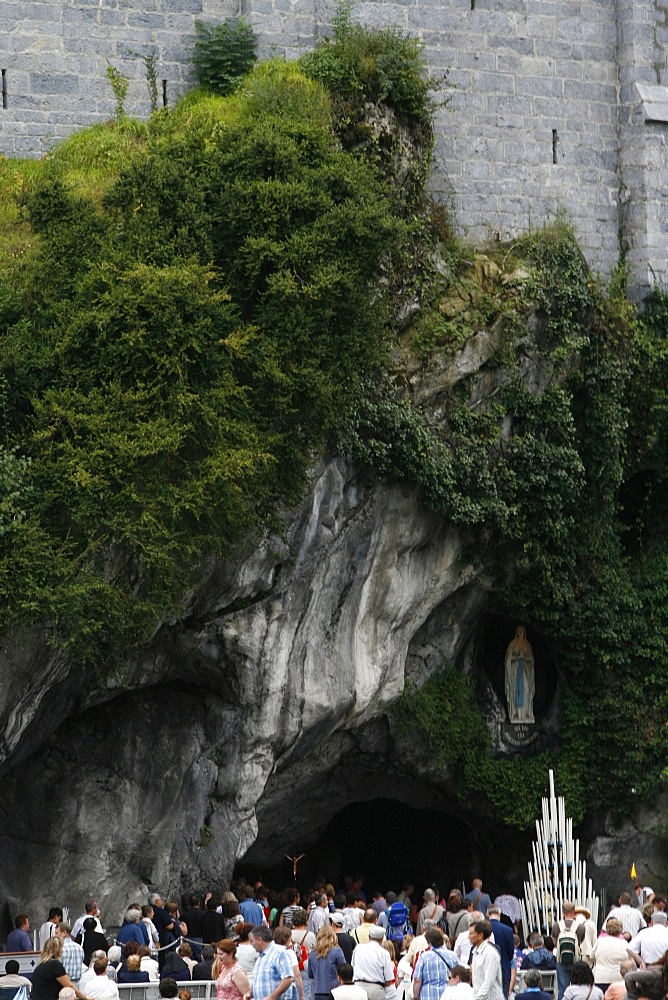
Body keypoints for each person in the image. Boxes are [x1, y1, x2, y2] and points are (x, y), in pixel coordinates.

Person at [244, 925, 294, 1000]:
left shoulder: (279, 952)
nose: (250, 944)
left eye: (251, 941)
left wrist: (272, 996)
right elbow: (260, 982)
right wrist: (250, 993)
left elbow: (288, 978)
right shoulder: (261, 957)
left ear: (259, 940)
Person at [351, 926, 395, 1000]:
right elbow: (388, 980)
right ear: (381, 939)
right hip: (376, 989)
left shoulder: (358, 948)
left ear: (369, 936)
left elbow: (352, 967)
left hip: (358, 987)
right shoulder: (384, 953)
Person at [412, 927, 457, 1000]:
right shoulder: (453, 956)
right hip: (449, 994)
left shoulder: (424, 957)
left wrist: (415, 996)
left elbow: (417, 980)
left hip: (428, 994)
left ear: (429, 942)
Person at [504, 625, 535, 724]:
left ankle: (526, 713)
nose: (520, 632)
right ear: (516, 632)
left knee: (526, 690)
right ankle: (516, 713)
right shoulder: (512, 644)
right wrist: (516, 658)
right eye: (519, 630)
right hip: (515, 670)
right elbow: (508, 659)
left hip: (525, 670)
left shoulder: (527, 644)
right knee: (515, 690)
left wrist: (525, 658)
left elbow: (532, 660)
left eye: (522, 630)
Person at [307, 926, 345, 1000]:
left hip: (317, 991)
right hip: (333, 991)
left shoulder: (312, 954)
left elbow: (310, 974)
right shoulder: (337, 951)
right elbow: (343, 970)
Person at [469, 920, 503, 1000]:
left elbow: (488, 982)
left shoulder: (490, 953)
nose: (469, 937)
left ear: (480, 935)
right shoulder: (475, 952)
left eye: (471, 934)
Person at [591, 921, 628, 993]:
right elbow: (629, 960)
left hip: (600, 976)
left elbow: (592, 956)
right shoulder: (624, 943)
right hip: (618, 977)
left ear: (607, 930)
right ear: (620, 931)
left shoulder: (600, 941)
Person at [487, 906, 514, 999]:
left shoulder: (482, 929)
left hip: (486, 968)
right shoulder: (508, 930)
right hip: (504, 966)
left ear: (487, 914)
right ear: (499, 914)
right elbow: (511, 952)